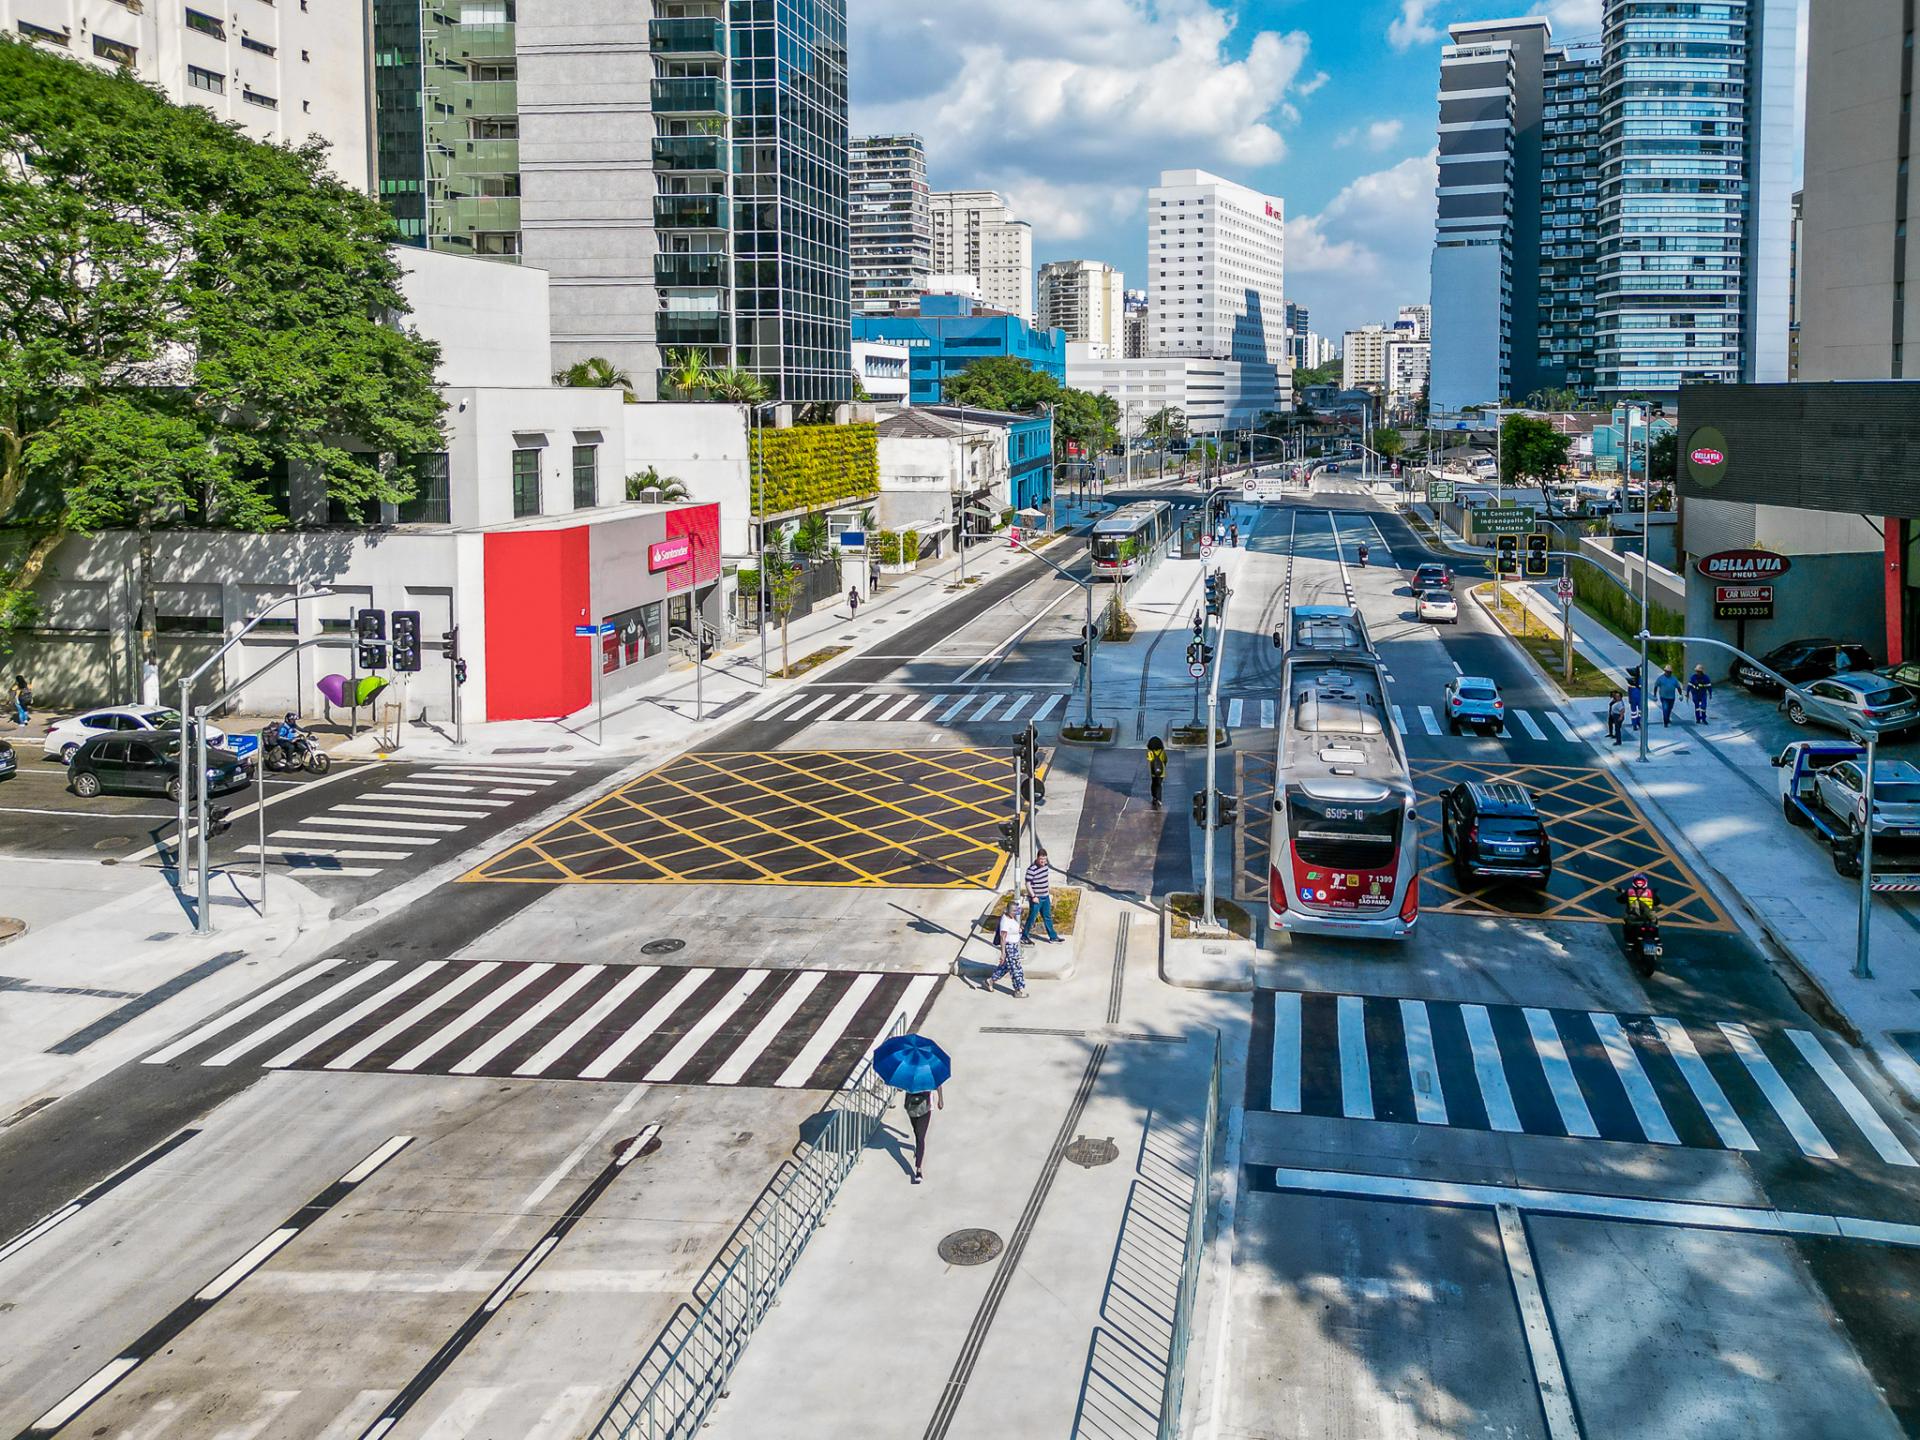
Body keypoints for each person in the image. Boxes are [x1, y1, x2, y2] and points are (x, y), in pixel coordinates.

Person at [903, 1085, 943, 1184]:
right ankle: (918, 1150)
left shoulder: (928, 1072)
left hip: (925, 1107)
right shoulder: (909, 1071)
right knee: (916, 1132)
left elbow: (938, 1084)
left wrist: (940, 1099)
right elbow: (900, 1088)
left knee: (920, 1137)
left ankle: (918, 1169)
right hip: (911, 1107)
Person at [1022, 848, 1061, 943]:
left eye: (1045, 859)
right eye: (1041, 859)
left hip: (1045, 896)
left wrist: (1048, 891)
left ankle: (1053, 936)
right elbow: (1028, 884)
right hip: (1036, 898)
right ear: (1037, 858)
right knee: (1032, 917)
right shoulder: (1031, 869)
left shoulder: (1046, 866)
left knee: (1047, 916)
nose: (1043, 861)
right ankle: (1024, 936)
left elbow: (1045, 879)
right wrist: (1033, 896)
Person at [990, 903, 1028, 997]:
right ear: (1007, 910)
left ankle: (990, 981)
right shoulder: (1005, 921)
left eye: (1016, 910)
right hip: (1009, 947)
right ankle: (1018, 990)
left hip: (1014, 946)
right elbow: (1003, 938)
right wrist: (1003, 953)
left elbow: (1019, 912)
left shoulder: (1011, 917)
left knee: (1006, 967)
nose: (1015, 912)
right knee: (1016, 969)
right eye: (1013, 911)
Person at [1146, 736, 1168, 809]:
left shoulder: (1150, 752)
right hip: (1162, 772)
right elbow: (1165, 760)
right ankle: (1159, 799)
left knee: (1154, 784)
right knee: (1159, 785)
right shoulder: (1162, 752)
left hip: (1153, 772)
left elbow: (1149, 759)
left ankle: (1154, 797)